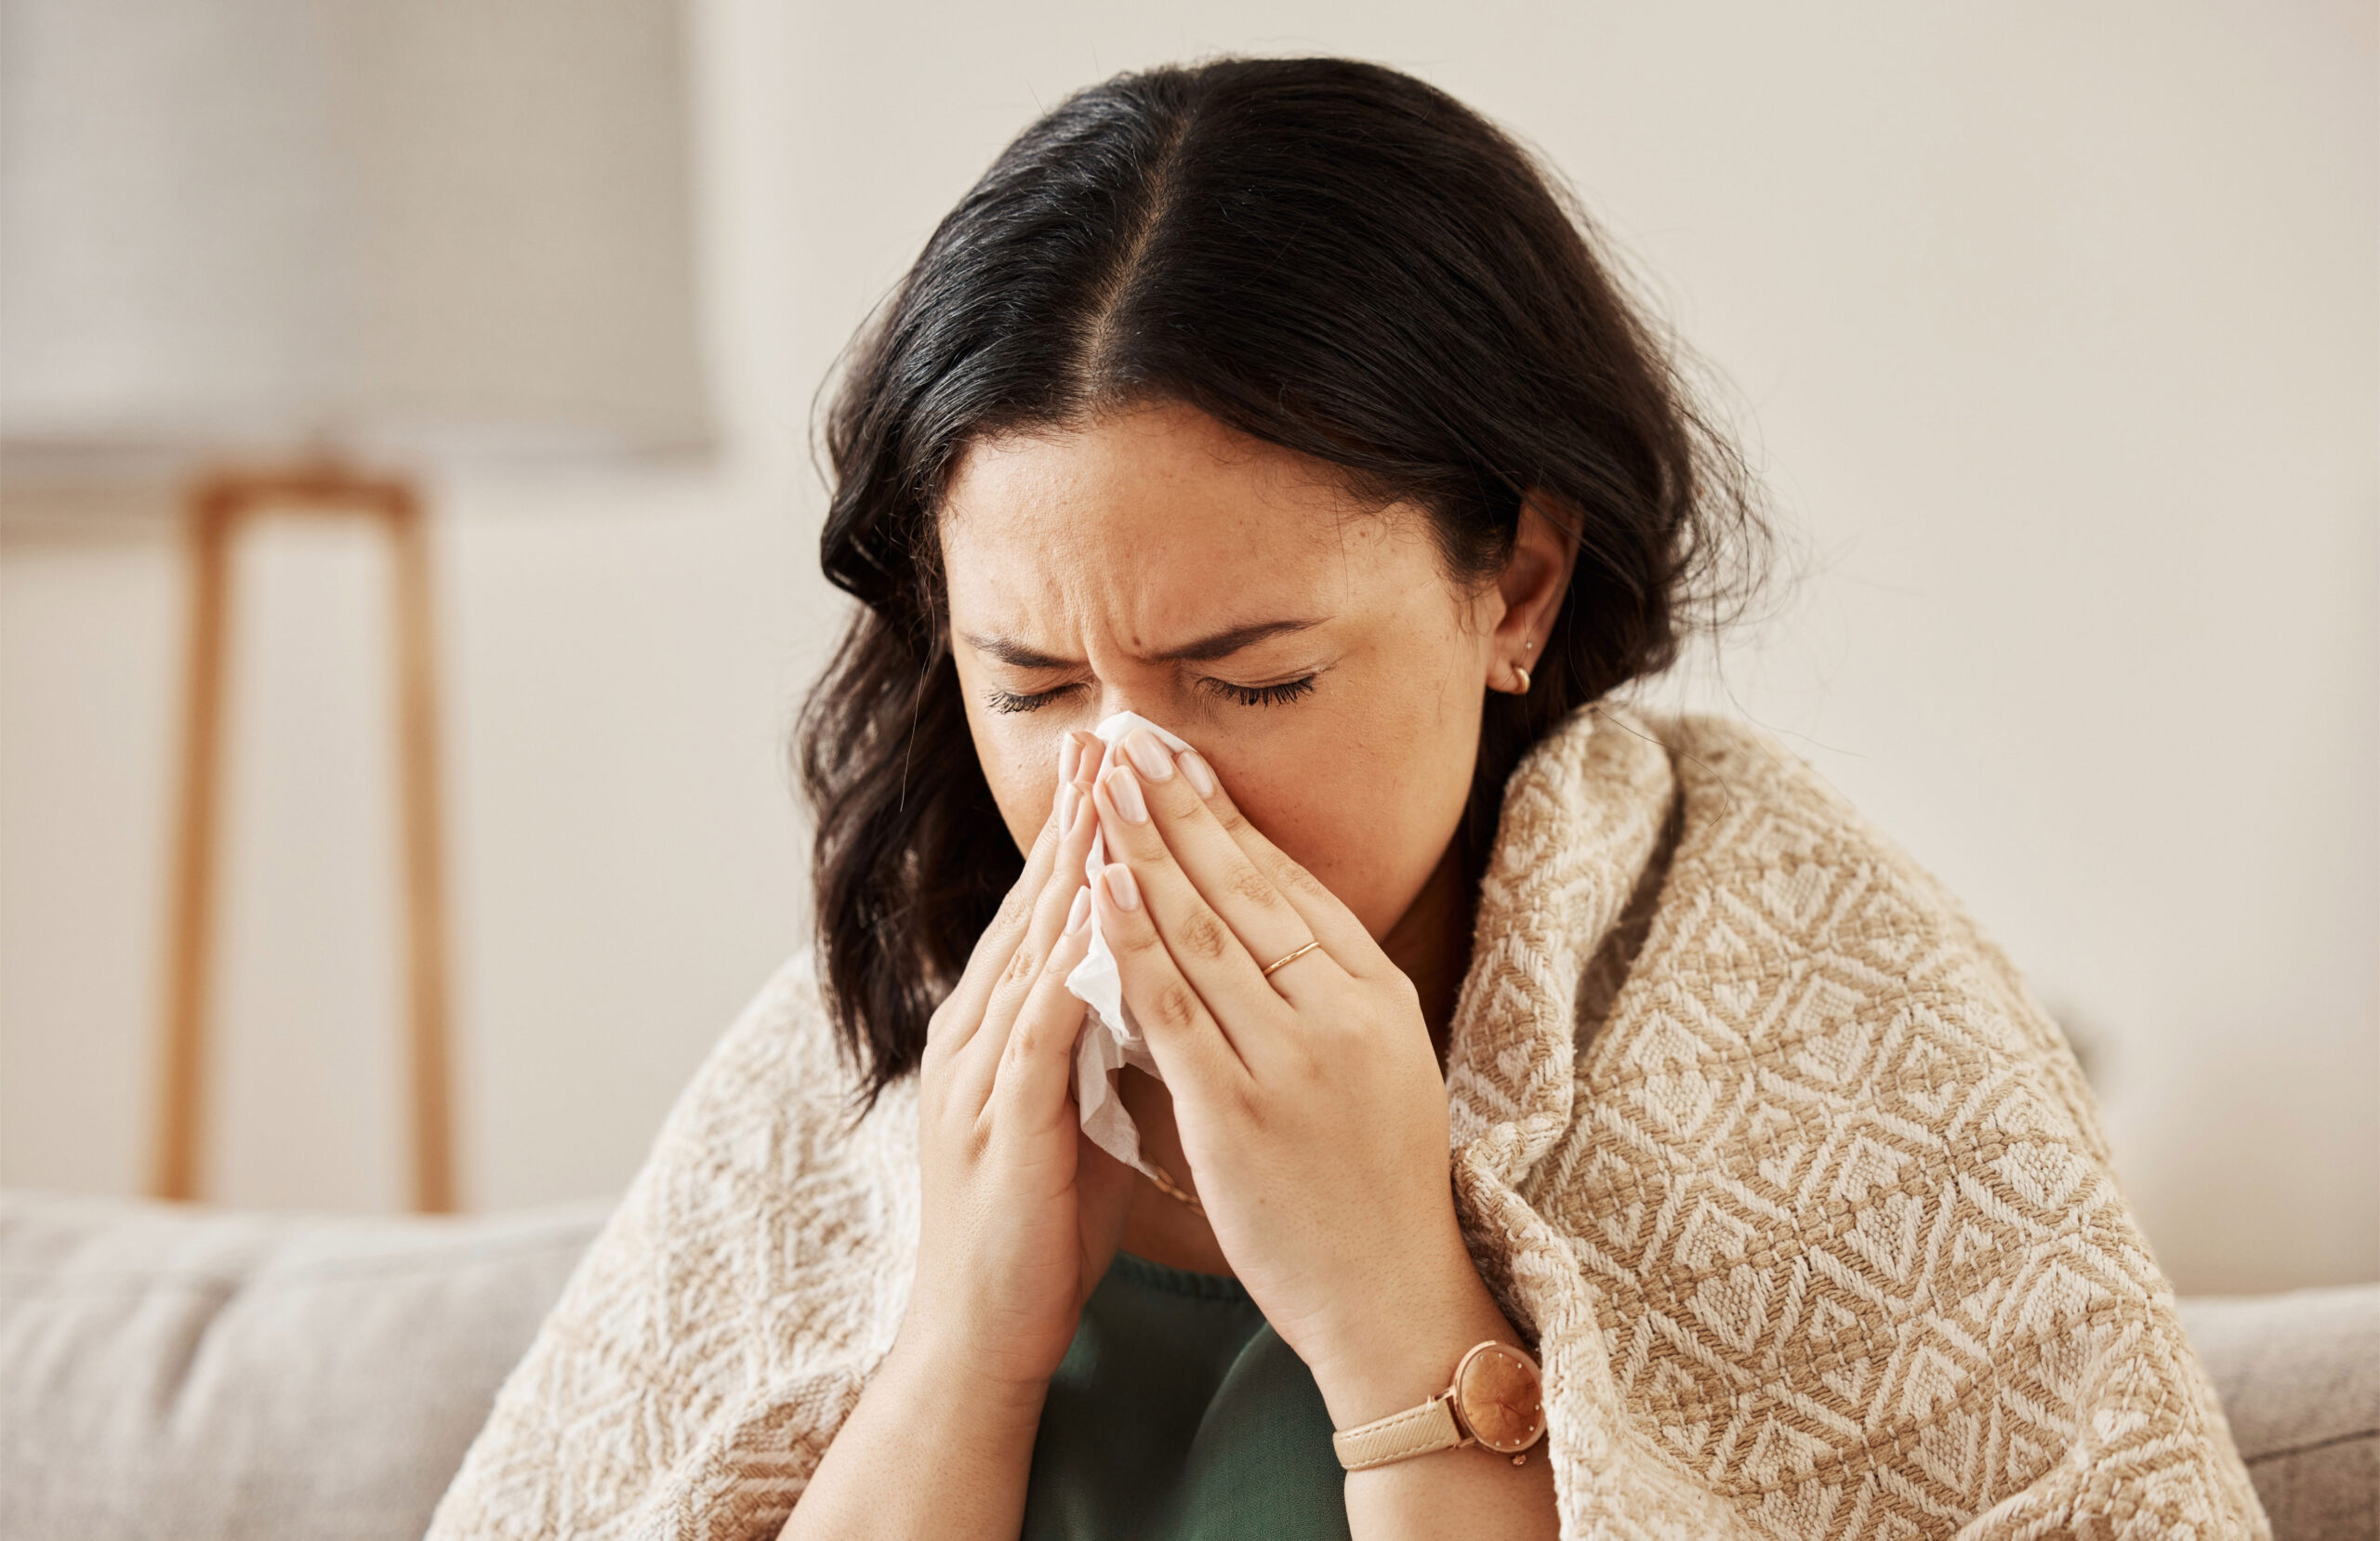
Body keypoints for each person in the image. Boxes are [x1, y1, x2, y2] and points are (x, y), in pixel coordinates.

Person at [429, 57, 2265, 1541]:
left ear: (1515, 588)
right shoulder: (867, 1045)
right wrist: (966, 1341)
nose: (1126, 783)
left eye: (1253, 680)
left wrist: (1393, 1300)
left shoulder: (1803, 990)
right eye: (1035, 684)